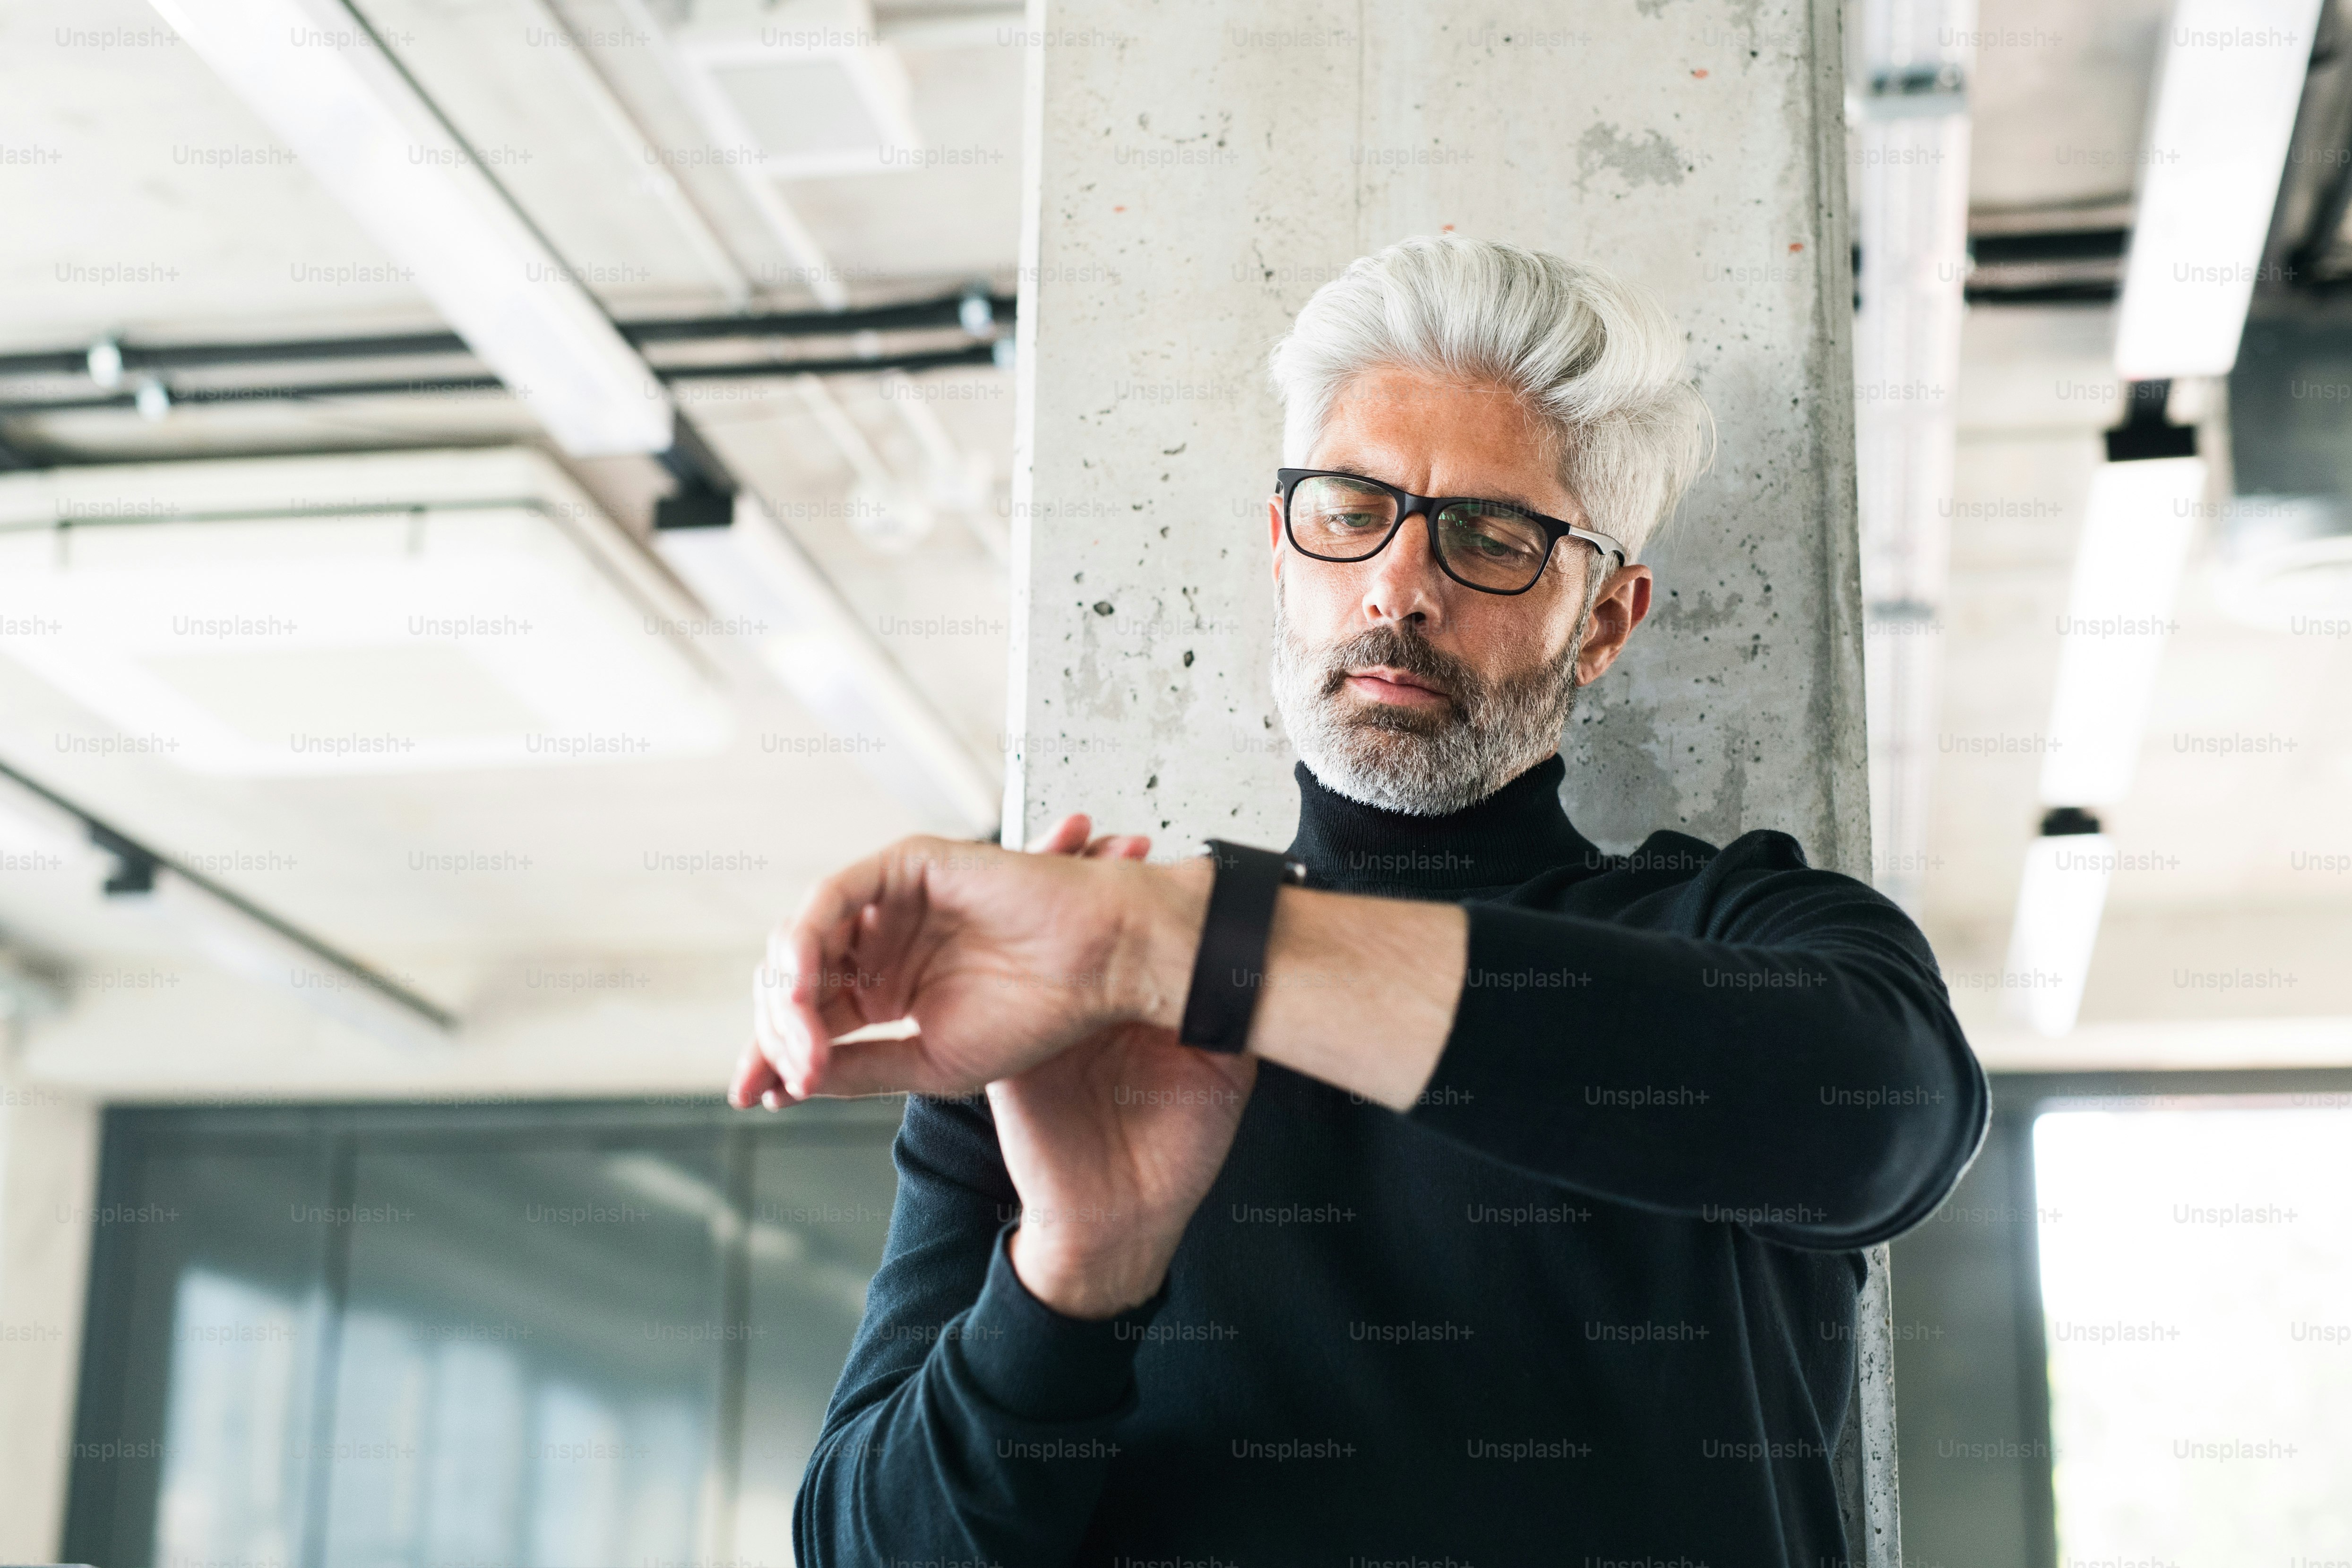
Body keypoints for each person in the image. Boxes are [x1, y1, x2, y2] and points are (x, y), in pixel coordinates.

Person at [733, 234, 1988, 1568]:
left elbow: (1889, 1123)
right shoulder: (1070, 1023)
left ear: (1605, 623)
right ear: (1281, 551)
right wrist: (1073, 1273)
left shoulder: (1736, 930)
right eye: (1348, 511)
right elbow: (866, 1553)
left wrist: (1190, 943)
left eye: (1494, 537)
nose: (1401, 585)